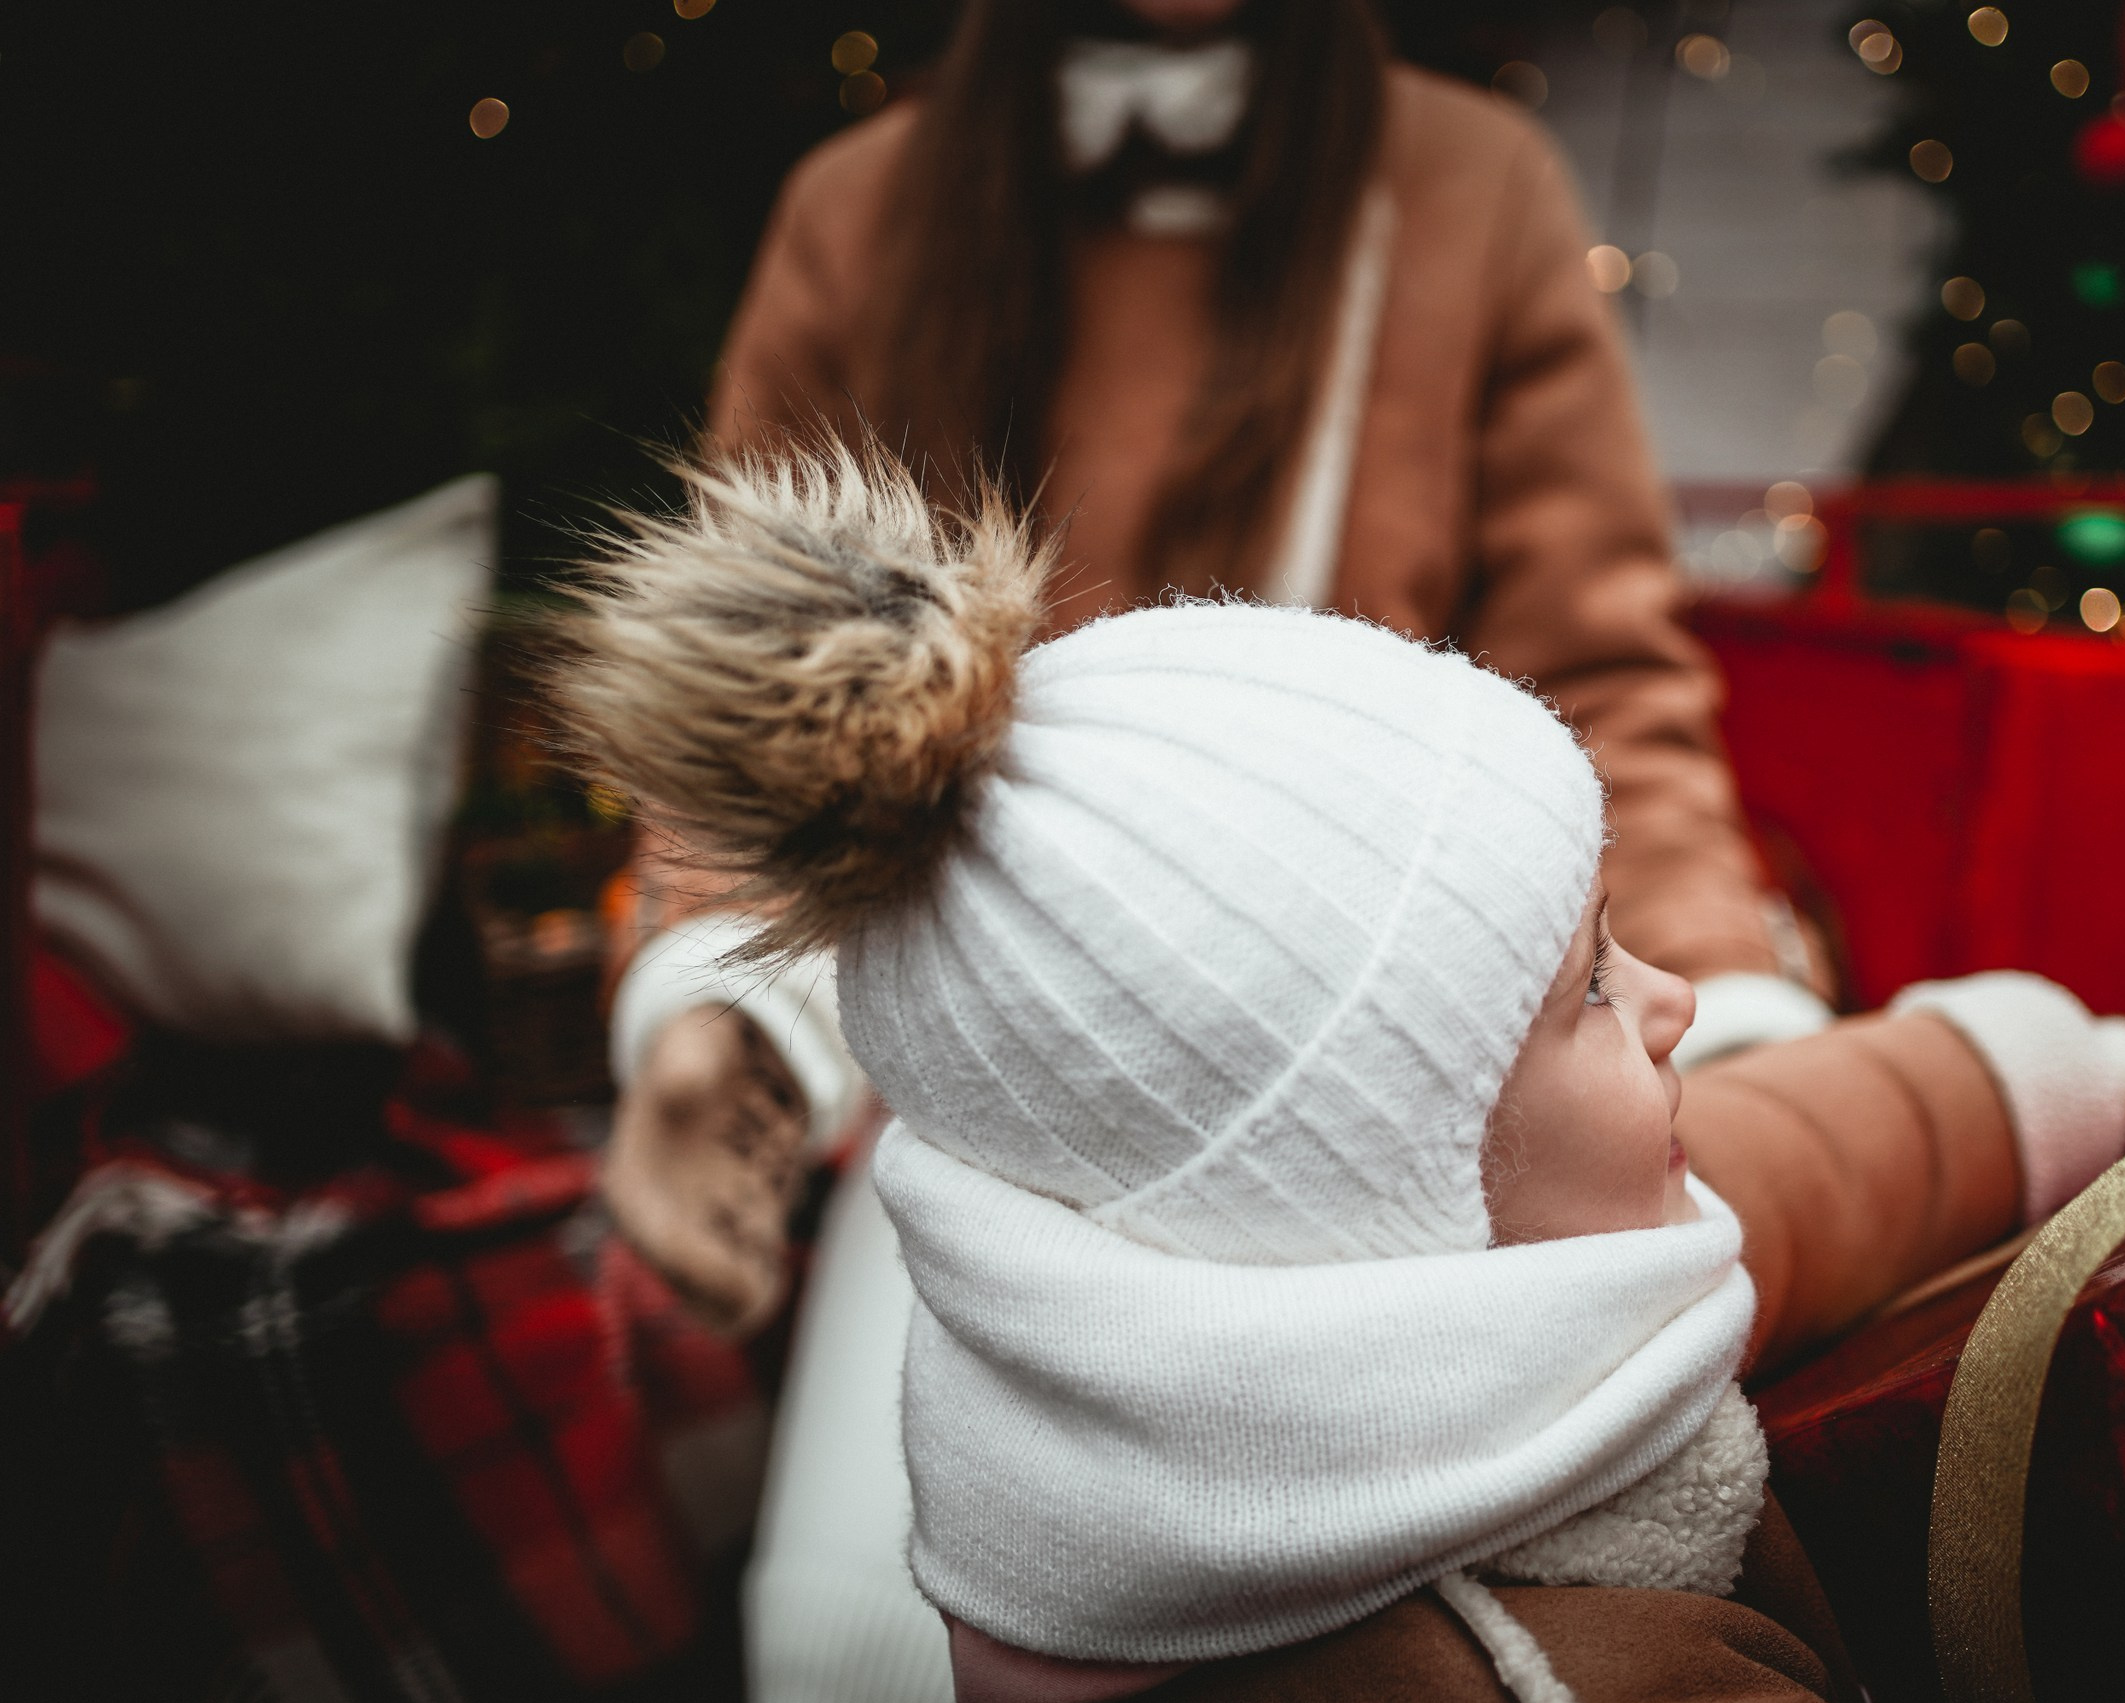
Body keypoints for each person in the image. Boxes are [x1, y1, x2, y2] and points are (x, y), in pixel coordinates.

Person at [554, 443, 2125, 1703]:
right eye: (1594, 989)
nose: (1672, 1004)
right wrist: (719, 1025)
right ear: (1377, 1216)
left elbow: (1852, 1137)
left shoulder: (1537, 1237)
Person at [603, 0, 1844, 1343]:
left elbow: (1599, 689)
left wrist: (1727, 1008)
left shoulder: (1473, 186)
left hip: (1365, 1110)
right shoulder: (858, 209)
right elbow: (767, 686)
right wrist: (727, 1021)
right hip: (973, 1130)